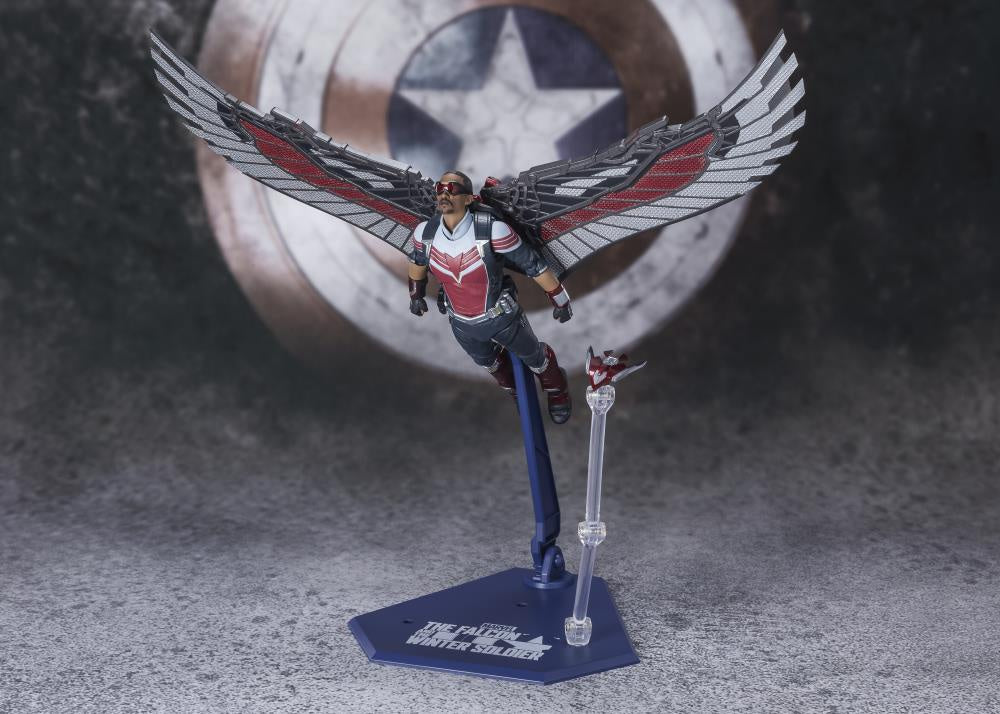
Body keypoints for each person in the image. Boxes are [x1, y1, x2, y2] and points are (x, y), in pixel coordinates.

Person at [407, 171, 573, 423]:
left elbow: (533, 265)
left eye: (452, 189)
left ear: (469, 198)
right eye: (440, 188)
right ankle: (519, 393)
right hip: (461, 323)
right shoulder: (425, 233)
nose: (444, 194)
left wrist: (560, 298)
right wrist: (416, 293)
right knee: (491, 365)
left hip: (501, 318)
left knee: (536, 359)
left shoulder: (493, 231)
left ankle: (557, 389)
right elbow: (417, 262)